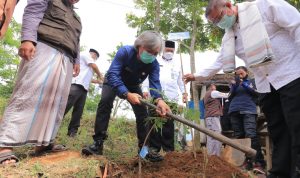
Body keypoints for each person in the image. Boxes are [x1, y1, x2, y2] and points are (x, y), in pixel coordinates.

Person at [184, 0, 300, 177]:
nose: (219, 23)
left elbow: (296, 24)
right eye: (215, 22)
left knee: (297, 125)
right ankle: (280, 173)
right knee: (277, 130)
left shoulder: (265, 6)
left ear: (229, 5)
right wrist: (197, 76)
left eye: (220, 17)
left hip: (292, 73)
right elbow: (220, 61)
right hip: (265, 84)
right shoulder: (229, 37)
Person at [0, 0, 81, 165]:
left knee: (55, 104)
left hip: (66, 57)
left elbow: (76, 39)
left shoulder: (76, 17)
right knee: (27, 95)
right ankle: (4, 146)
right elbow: (33, 11)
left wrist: (76, 59)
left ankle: (43, 144)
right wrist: (28, 39)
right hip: (44, 47)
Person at [81, 31, 171, 161]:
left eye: (155, 53)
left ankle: (144, 151)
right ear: (140, 46)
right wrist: (126, 93)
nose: (152, 56)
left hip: (133, 85)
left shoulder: (154, 64)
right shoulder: (125, 52)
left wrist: (159, 100)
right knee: (105, 102)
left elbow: (155, 83)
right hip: (112, 81)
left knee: (142, 114)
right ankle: (97, 144)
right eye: (149, 51)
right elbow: (113, 74)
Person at [142, 40, 188, 157]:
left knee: (168, 124)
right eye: (167, 50)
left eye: (172, 51)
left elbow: (181, 82)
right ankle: (154, 149)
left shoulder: (178, 64)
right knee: (154, 123)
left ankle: (169, 150)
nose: (169, 52)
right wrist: (145, 90)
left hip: (171, 98)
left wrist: (184, 93)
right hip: (155, 97)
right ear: (163, 49)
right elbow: (148, 77)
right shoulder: (154, 61)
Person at [229, 66, 265, 172]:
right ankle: (244, 163)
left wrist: (244, 84)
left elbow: (257, 93)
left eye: (241, 73)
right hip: (234, 110)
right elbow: (229, 97)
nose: (239, 76)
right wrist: (234, 86)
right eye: (237, 74)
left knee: (251, 135)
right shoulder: (233, 84)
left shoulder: (252, 81)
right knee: (239, 137)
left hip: (248, 110)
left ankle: (258, 163)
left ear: (246, 73)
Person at [64, 48, 103, 137]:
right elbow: (95, 66)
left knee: (78, 112)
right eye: (95, 57)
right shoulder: (86, 55)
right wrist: (101, 76)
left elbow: (89, 79)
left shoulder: (88, 66)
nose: (95, 59)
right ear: (92, 54)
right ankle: (52, 127)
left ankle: (72, 132)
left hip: (84, 89)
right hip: (76, 85)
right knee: (66, 106)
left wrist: (99, 81)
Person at [203, 83, 228, 156]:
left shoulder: (208, 95)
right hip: (212, 117)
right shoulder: (212, 93)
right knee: (216, 135)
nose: (216, 87)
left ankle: (212, 155)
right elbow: (226, 95)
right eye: (214, 86)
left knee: (212, 136)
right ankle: (215, 156)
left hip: (211, 117)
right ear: (210, 87)